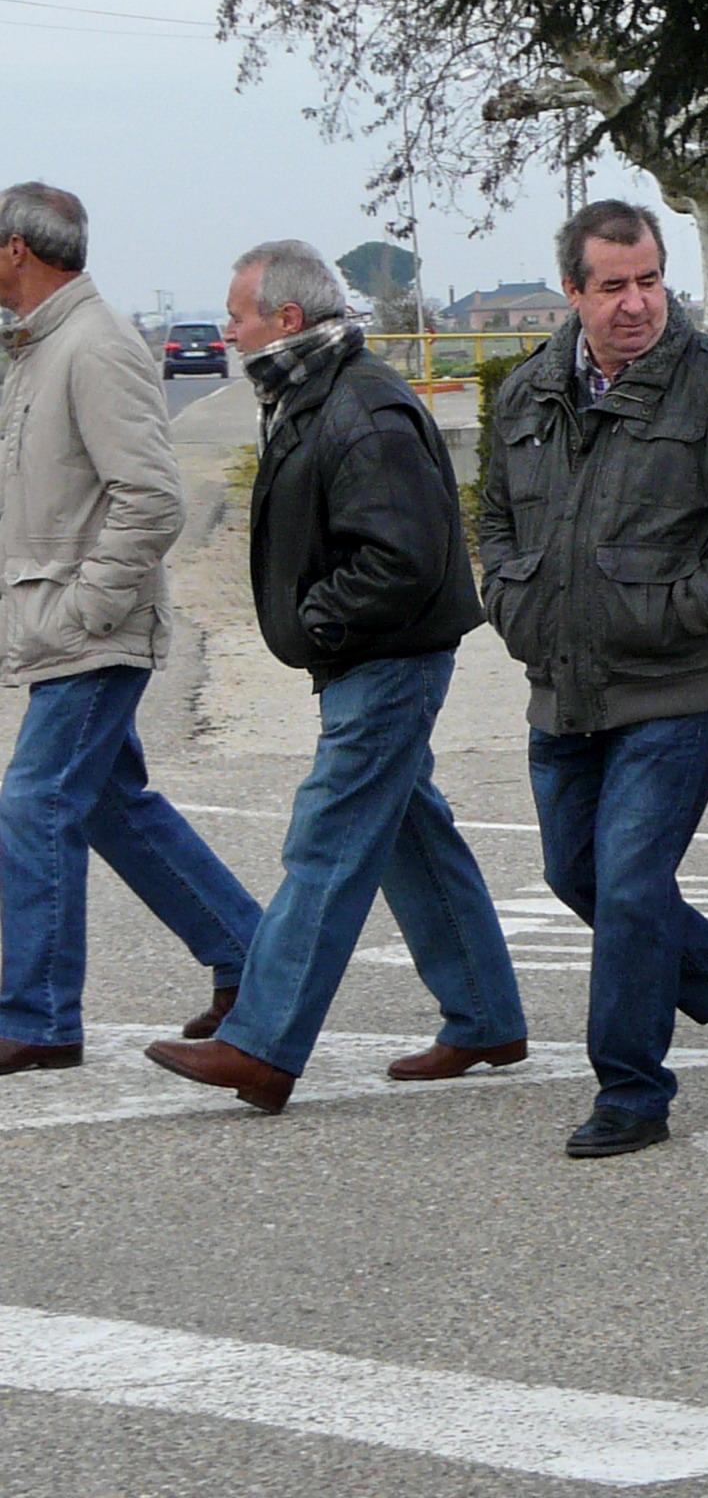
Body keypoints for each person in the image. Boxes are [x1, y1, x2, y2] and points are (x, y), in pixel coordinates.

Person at [141, 243, 526, 1113]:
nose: (227, 330)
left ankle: (262, 1044)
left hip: (386, 659)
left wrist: (318, 618)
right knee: (409, 835)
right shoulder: (313, 391)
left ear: (286, 319)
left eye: (237, 315)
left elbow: (403, 558)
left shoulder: (362, 408)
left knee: (327, 840)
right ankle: (486, 1016)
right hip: (365, 655)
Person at [480, 200, 708, 1157]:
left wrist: (690, 607)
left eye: (650, 281)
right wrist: (509, 596)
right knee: (577, 874)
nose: (636, 304)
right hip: (563, 683)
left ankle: (632, 1093)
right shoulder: (527, 392)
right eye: (613, 287)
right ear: (573, 291)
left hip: (677, 686)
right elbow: (496, 515)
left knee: (632, 886)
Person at [0, 183, 263, 1076]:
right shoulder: (40, 347)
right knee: (112, 804)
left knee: (35, 801)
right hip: (62, 624)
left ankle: (38, 1018)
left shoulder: (96, 345)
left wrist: (86, 609)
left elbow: (151, 499)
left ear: (17, 250)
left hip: (91, 630)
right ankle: (251, 957)